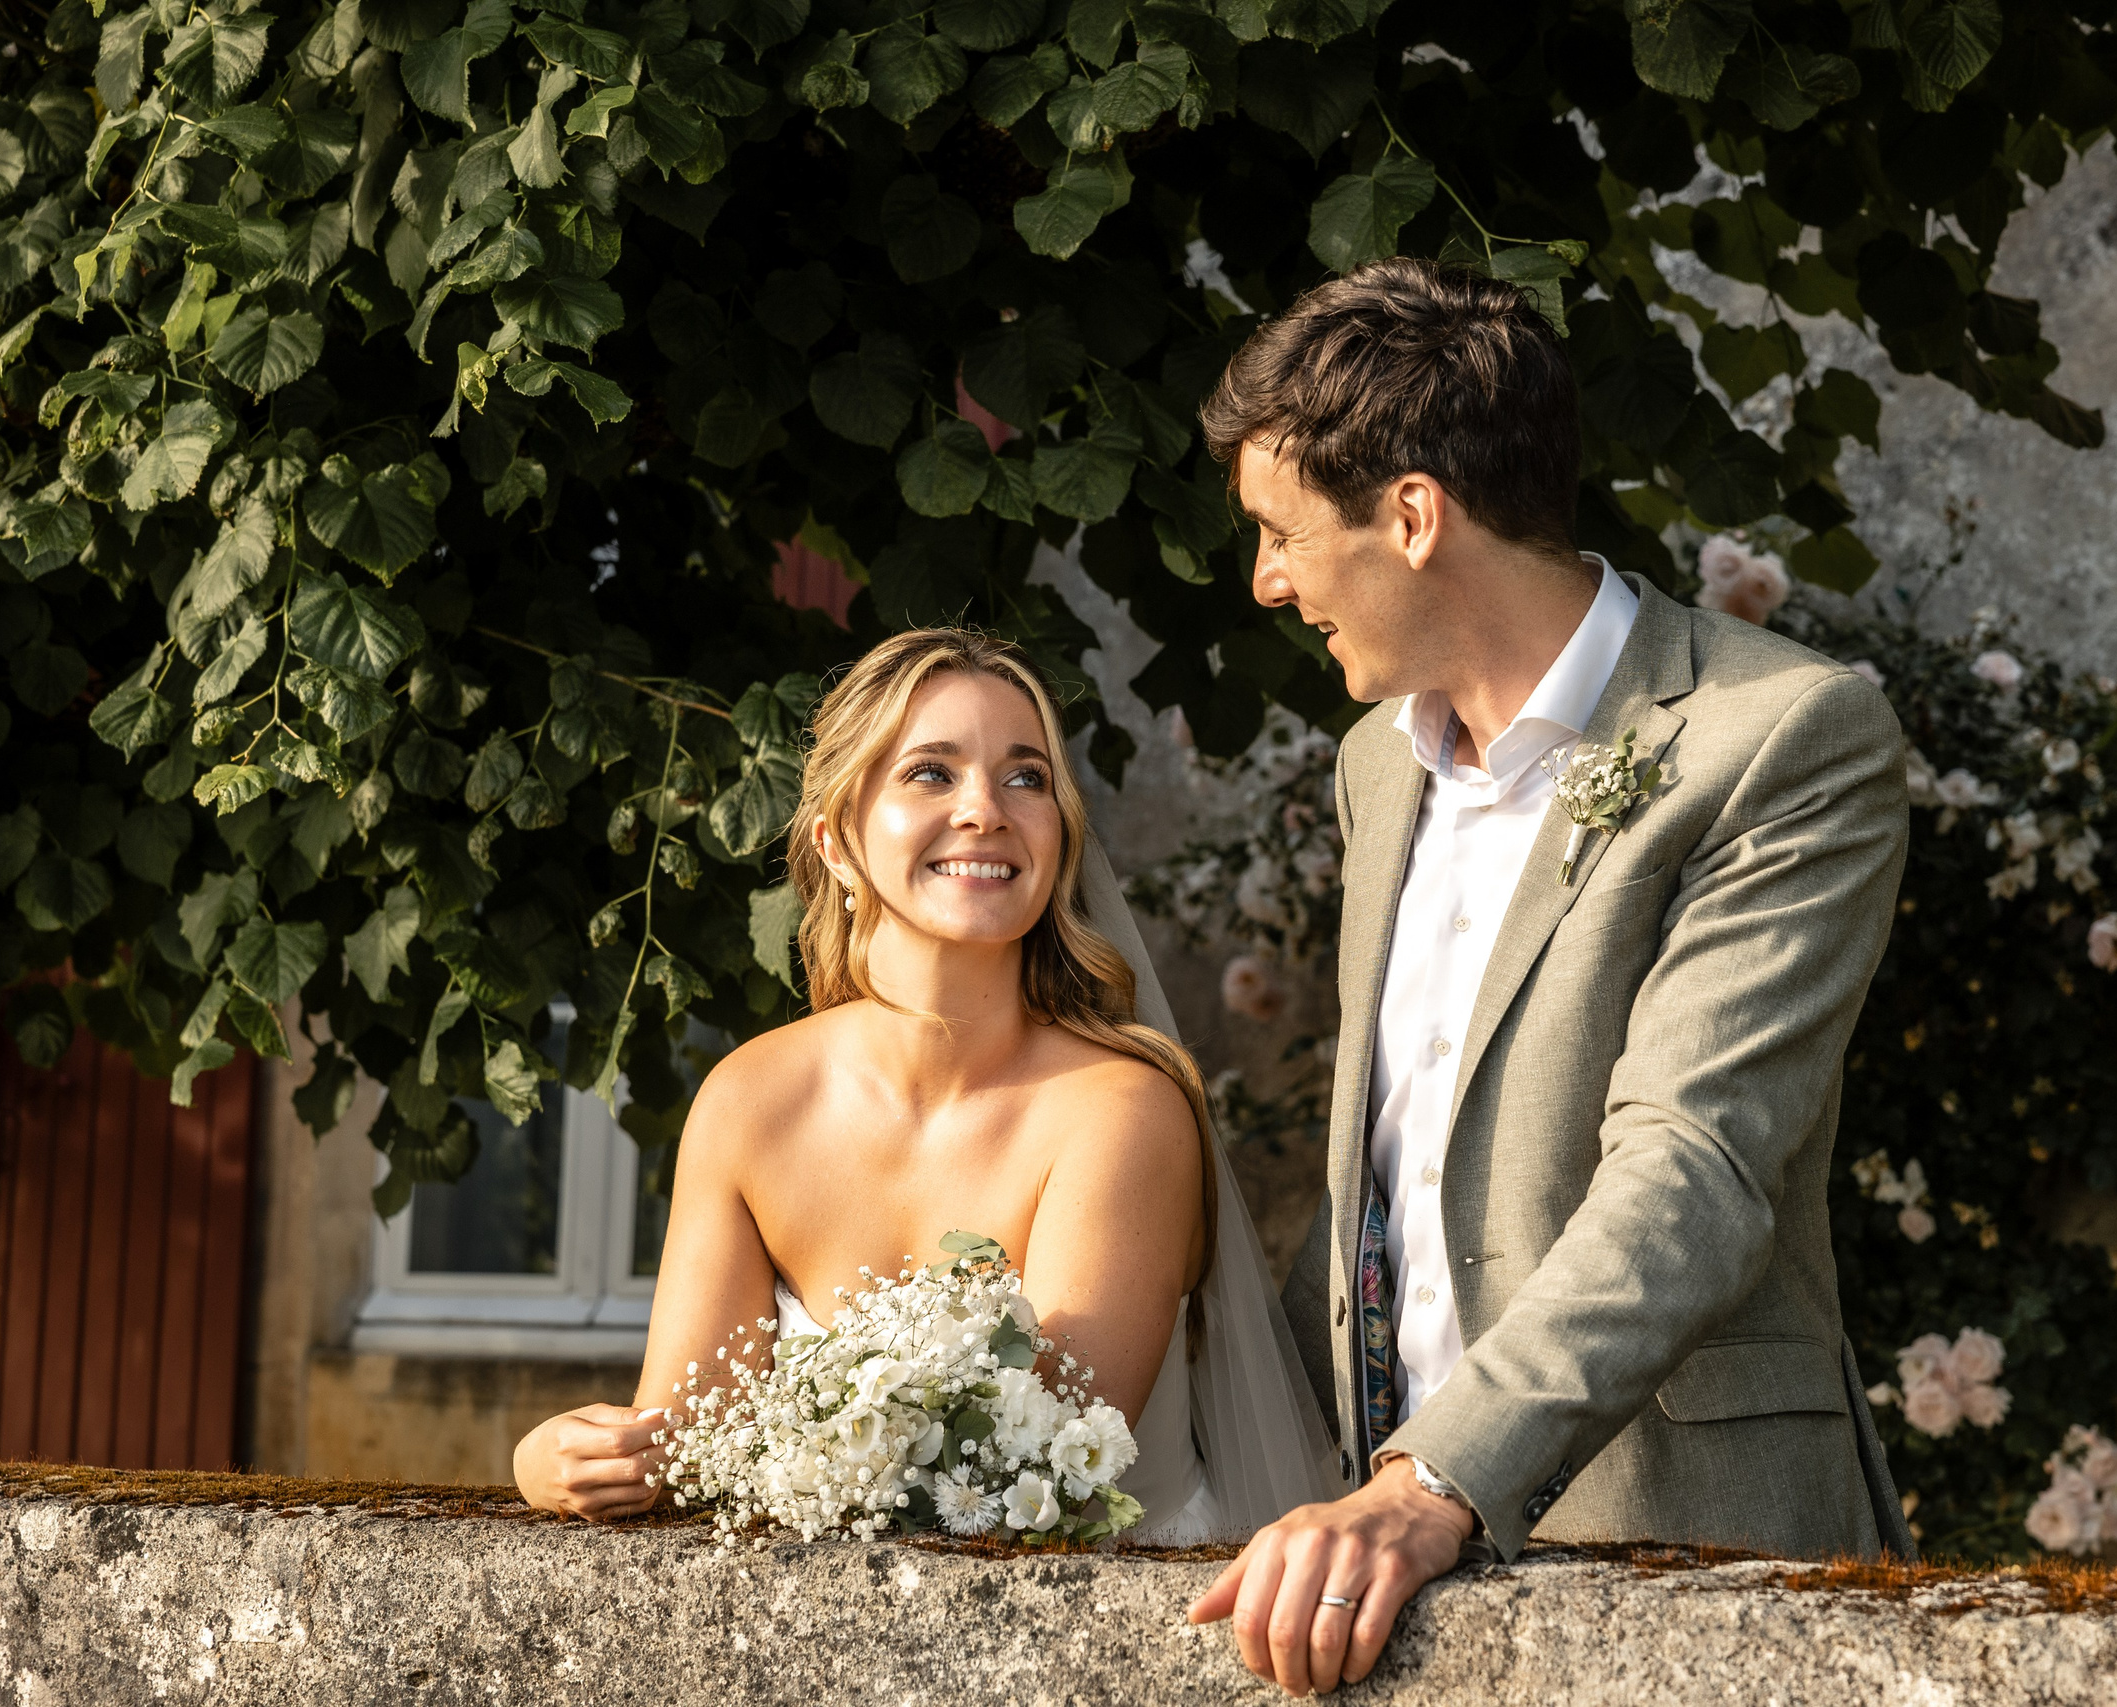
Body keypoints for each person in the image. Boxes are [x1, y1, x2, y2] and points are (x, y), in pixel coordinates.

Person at [1185, 259, 1917, 1693]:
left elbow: (1695, 1166)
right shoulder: (1369, 764)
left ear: (1412, 513)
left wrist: (1434, 1477)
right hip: (1366, 1581)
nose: (1265, 578)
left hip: (1688, 1550)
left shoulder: (1779, 735)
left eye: (1280, 532)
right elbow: (1385, 1174)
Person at [514, 628, 1335, 1541]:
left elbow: (1041, 1477)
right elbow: (680, 1447)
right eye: (931, 773)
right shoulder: (752, 1101)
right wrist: (560, 1458)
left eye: (1027, 777)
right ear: (836, 839)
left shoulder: (1122, 1113)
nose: (986, 808)